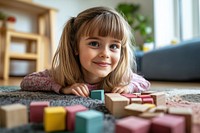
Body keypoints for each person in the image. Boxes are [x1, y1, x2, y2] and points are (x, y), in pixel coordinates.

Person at [20, 6, 150, 97]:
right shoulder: (60, 74)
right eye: (94, 44)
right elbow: (27, 81)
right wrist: (63, 88)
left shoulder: (121, 76)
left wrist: (129, 87)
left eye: (114, 46)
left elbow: (144, 83)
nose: (105, 54)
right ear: (75, 47)